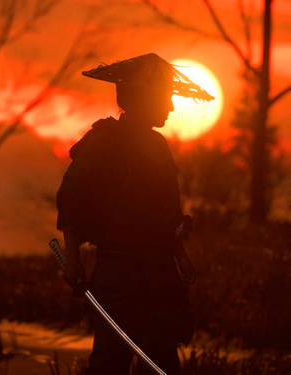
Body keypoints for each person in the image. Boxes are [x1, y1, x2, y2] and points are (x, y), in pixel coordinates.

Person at [56, 53, 214, 375]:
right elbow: (72, 199)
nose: (170, 107)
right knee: (110, 362)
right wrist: (72, 258)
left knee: (161, 360)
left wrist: (179, 251)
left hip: (159, 276)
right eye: (165, 98)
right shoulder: (105, 143)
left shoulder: (158, 147)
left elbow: (166, 212)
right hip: (120, 275)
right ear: (144, 98)